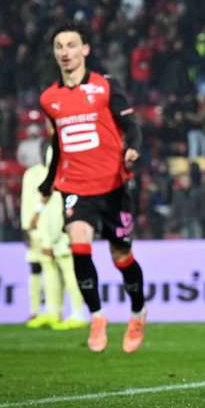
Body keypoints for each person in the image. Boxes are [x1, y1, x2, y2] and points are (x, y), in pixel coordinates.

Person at [38, 21, 146, 353]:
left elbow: (131, 124)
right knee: (79, 244)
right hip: (76, 186)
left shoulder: (105, 87)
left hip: (113, 186)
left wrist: (133, 148)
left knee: (121, 256)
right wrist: (48, 180)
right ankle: (97, 316)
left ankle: (138, 313)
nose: (65, 52)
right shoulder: (49, 98)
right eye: (59, 46)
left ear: (85, 49)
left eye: (71, 45)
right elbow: (58, 141)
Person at [22, 143, 86, 330]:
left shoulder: (63, 182)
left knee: (70, 269)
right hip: (46, 228)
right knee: (49, 269)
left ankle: (78, 313)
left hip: (61, 227)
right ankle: (53, 312)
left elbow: (58, 206)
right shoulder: (38, 175)